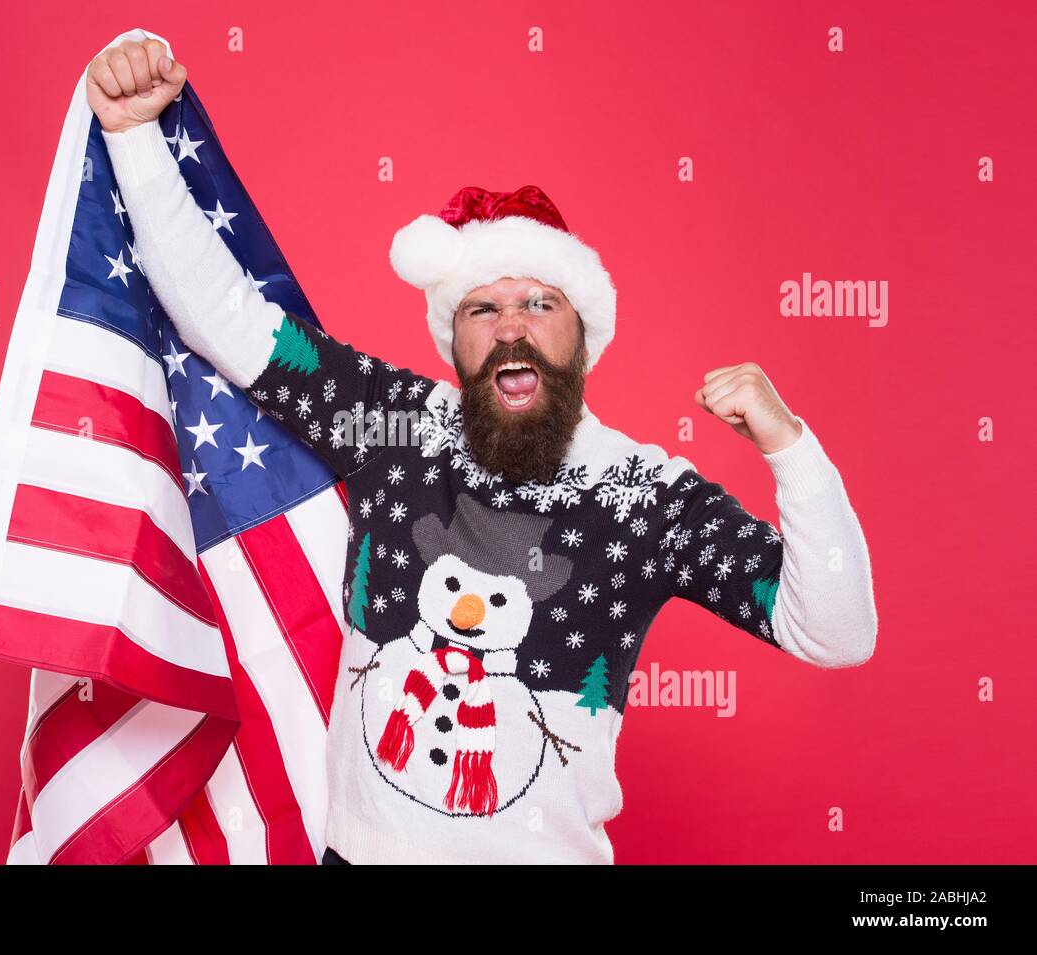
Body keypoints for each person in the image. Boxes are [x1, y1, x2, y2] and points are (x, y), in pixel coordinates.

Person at [84, 39, 878, 865]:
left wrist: (790, 447)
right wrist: (137, 136)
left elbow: (835, 631)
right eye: (481, 308)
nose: (511, 326)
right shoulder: (396, 424)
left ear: (583, 333)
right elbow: (229, 321)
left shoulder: (647, 494)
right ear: (455, 343)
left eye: (540, 301)